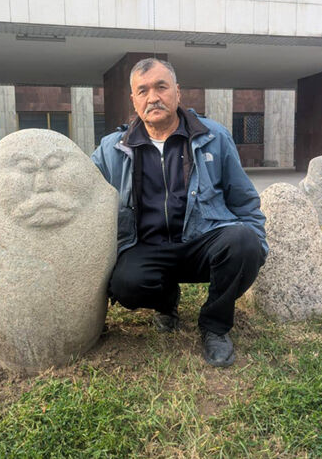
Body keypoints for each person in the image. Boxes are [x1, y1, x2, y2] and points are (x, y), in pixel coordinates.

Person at [91, 58, 267, 367]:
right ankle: (166, 301)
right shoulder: (112, 148)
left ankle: (214, 326)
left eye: (161, 87)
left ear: (177, 92)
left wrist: (256, 245)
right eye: (143, 91)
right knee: (125, 286)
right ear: (133, 99)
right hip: (147, 246)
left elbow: (243, 199)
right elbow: (78, 185)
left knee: (244, 241)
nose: (153, 97)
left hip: (202, 241)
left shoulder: (213, 136)